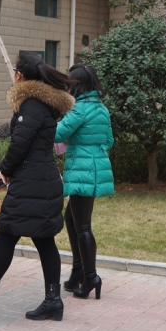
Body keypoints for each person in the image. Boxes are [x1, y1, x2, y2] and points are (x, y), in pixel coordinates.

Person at [0, 53, 75, 321]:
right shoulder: (43, 103)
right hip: (41, 181)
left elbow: (20, 144)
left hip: (32, 184)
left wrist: (4, 170)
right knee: (41, 240)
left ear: (19, 75)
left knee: (9, 234)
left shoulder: (31, 105)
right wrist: (7, 169)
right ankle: (51, 301)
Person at [55, 64, 114, 300]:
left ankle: (91, 277)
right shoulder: (101, 108)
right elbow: (108, 140)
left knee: (82, 226)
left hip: (82, 169)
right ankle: (78, 272)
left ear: (77, 85)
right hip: (95, 168)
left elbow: (58, 134)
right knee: (72, 219)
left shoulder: (79, 109)